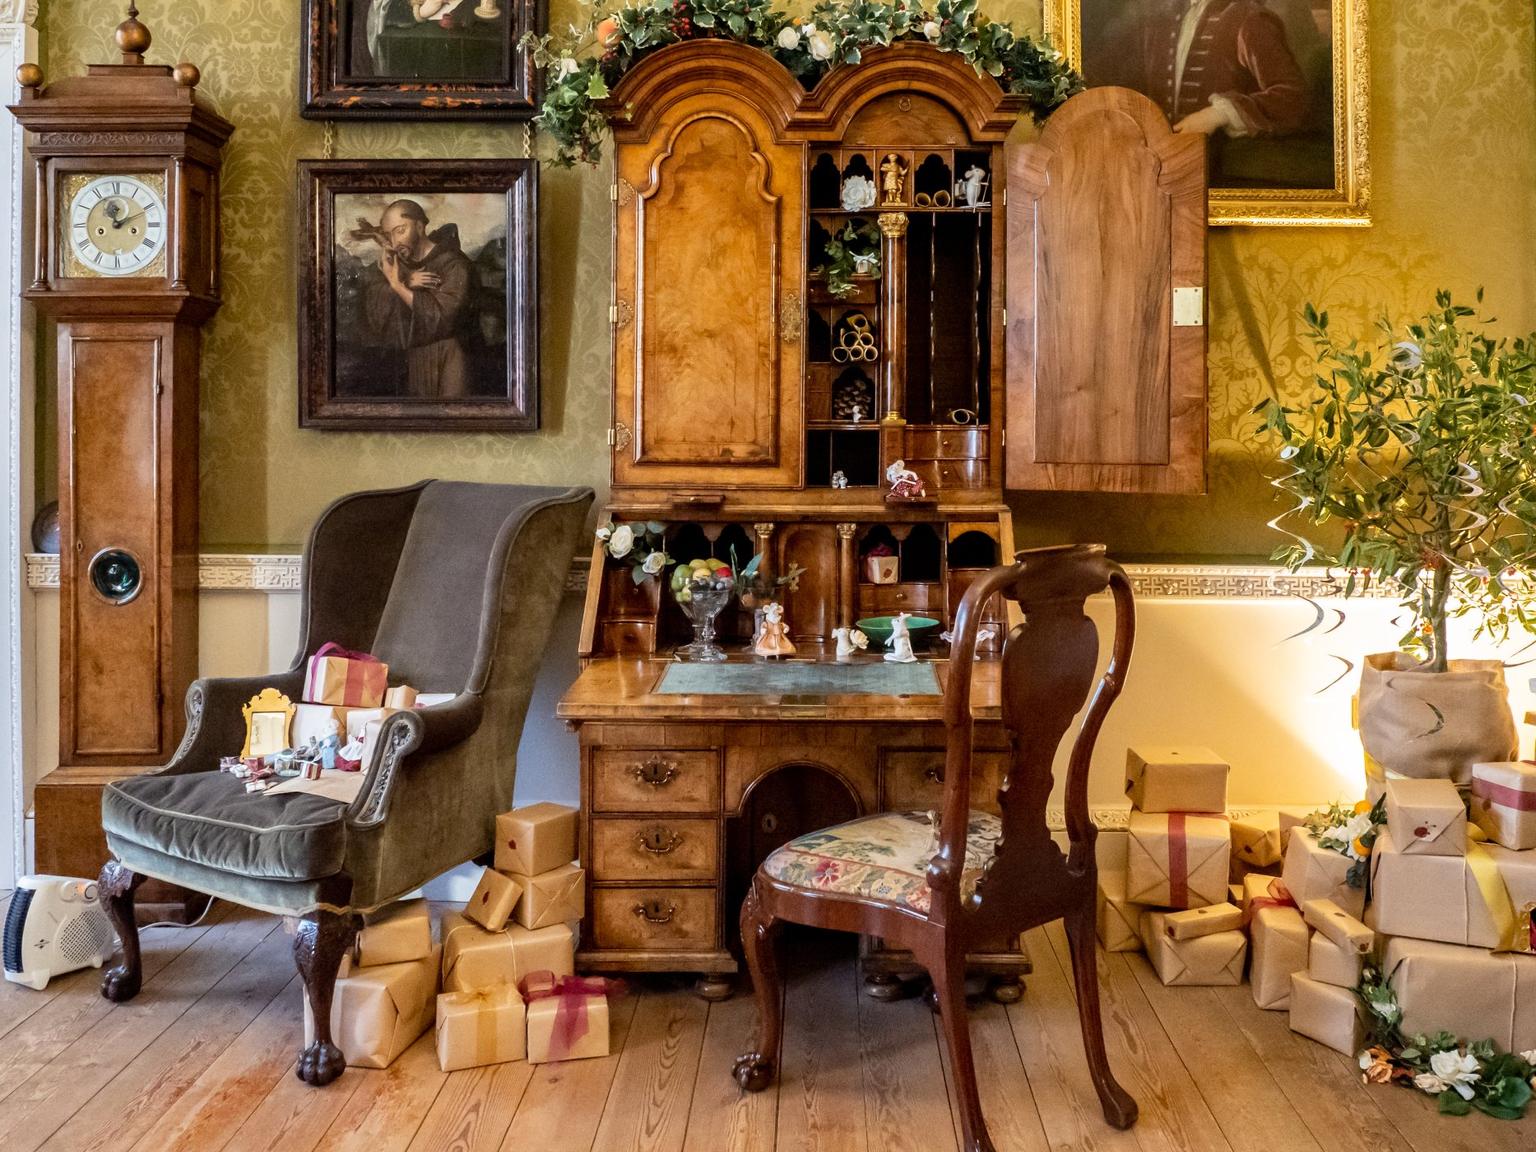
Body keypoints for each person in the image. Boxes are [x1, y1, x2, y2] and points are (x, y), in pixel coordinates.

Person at [1089, 0, 1309, 140]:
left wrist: (1217, 114)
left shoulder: (1247, 17)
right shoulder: (1160, 19)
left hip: (1223, 168)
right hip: (1162, 167)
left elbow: (1293, 96)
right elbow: (1105, 70)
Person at [359, 198, 479, 398]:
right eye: (389, 235)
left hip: (449, 357)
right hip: (412, 360)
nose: (395, 242)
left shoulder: (454, 264)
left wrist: (398, 285)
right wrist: (403, 283)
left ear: (420, 226)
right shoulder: (396, 264)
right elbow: (372, 308)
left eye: (400, 230)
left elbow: (441, 318)